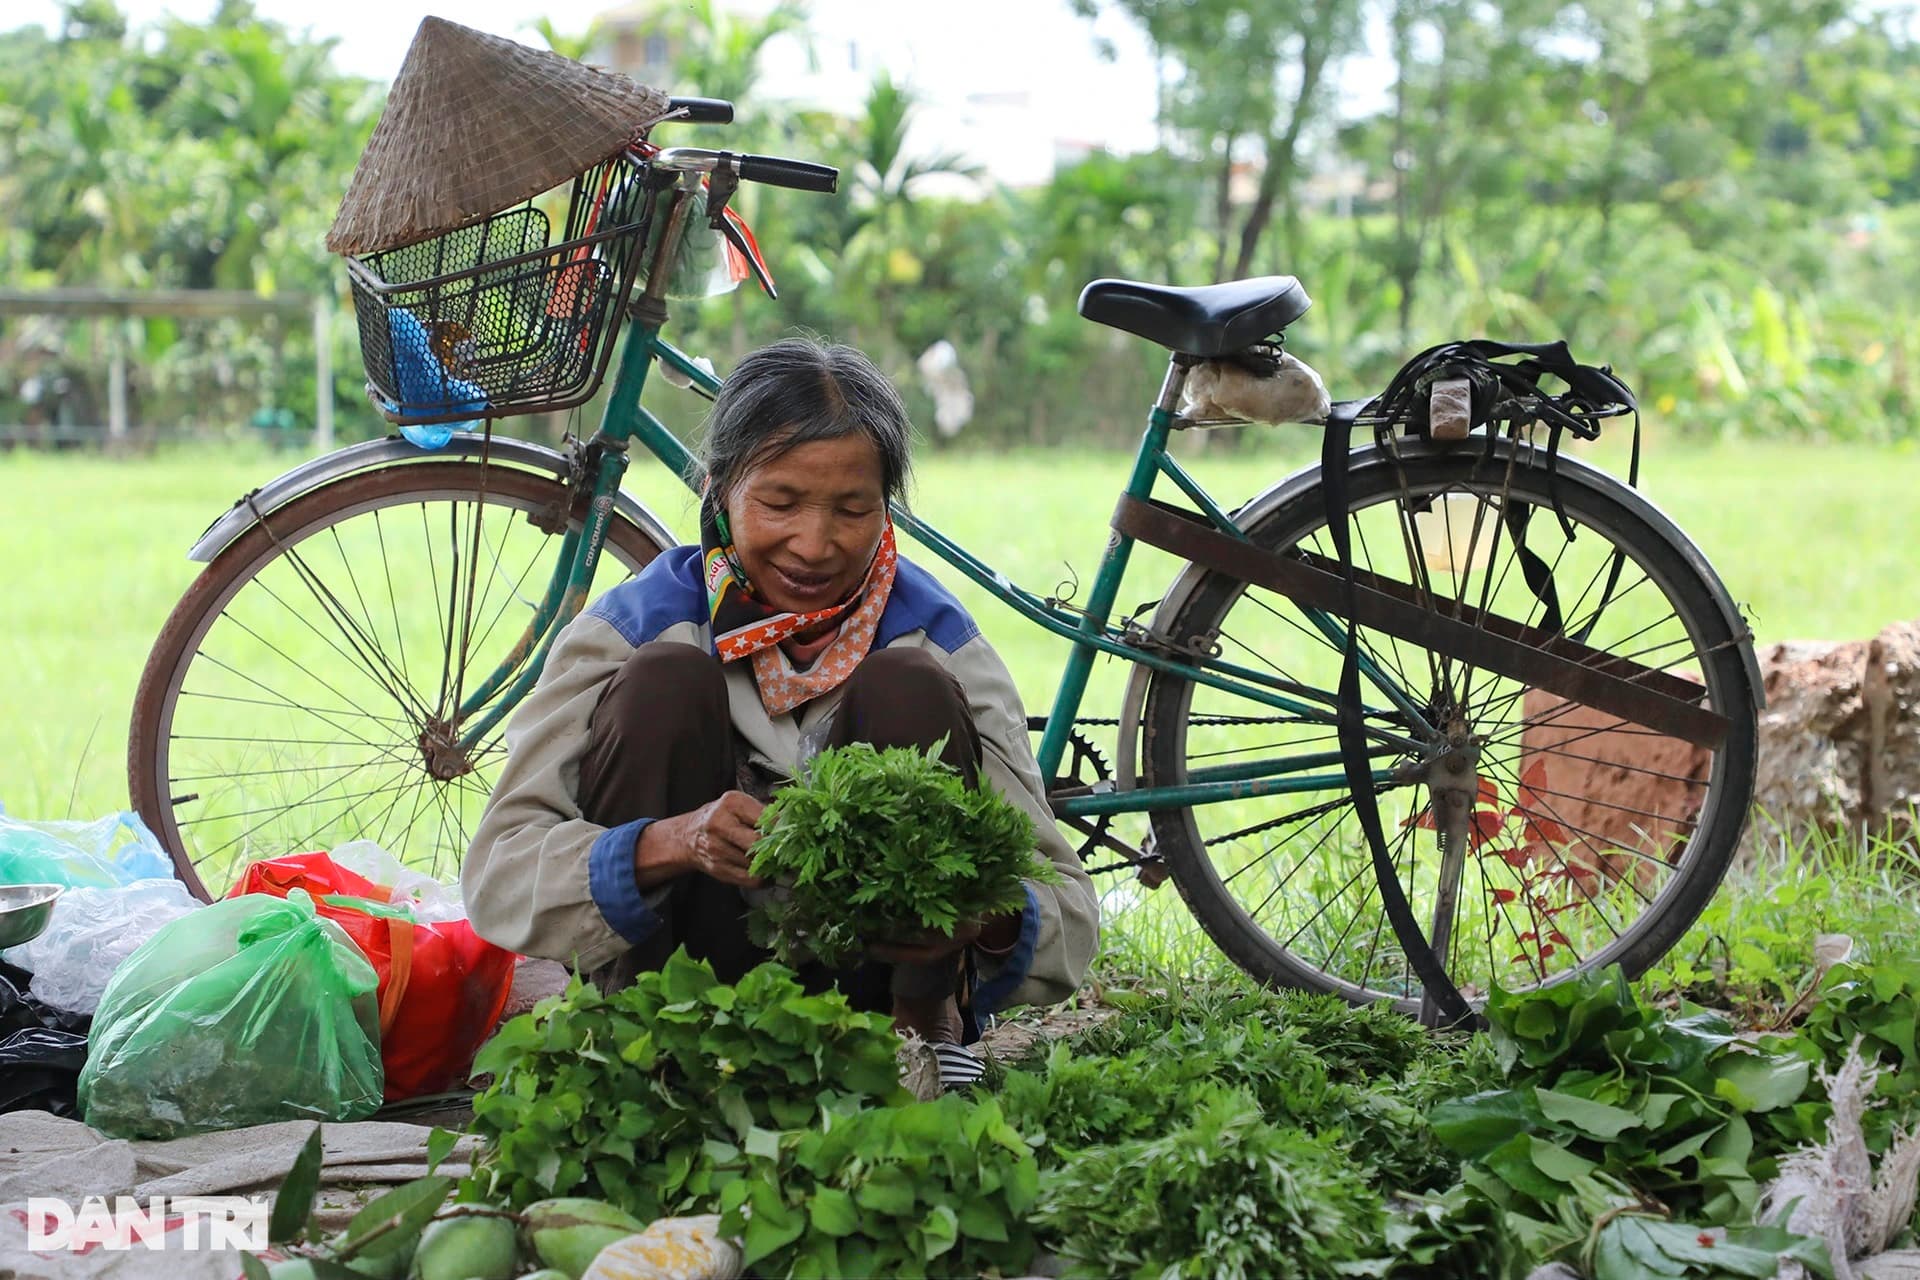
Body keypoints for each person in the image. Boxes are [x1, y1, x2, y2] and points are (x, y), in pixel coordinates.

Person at [462, 337, 1099, 1043]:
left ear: (885, 509)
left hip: (867, 1000)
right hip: (673, 992)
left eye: (851, 510)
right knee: (663, 686)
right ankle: (638, 1032)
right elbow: (500, 872)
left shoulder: (936, 642)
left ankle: (921, 1022)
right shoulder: (636, 629)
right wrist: (669, 842)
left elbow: (1067, 908)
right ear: (718, 489)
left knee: (908, 690)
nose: (815, 543)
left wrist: (982, 914)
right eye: (781, 501)